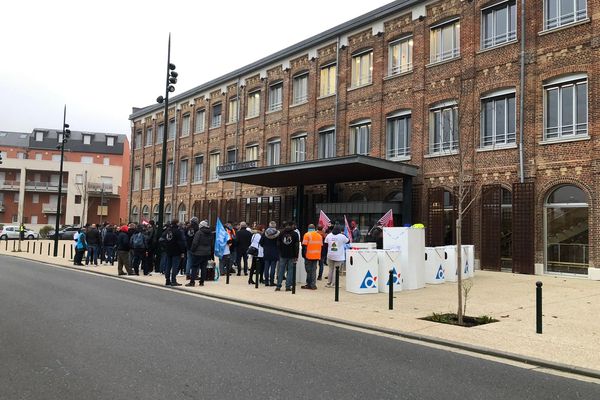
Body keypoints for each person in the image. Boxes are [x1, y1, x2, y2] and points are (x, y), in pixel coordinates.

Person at [188, 220, 213, 287]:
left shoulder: (199, 233)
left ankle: (192, 282)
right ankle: (202, 282)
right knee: (203, 267)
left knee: (194, 267)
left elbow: (195, 243)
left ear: (201, 226)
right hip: (207, 252)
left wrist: (192, 250)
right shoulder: (210, 233)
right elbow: (211, 243)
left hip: (198, 253)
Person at [160, 219, 186, 286]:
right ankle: (173, 280)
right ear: (177, 223)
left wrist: (165, 247)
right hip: (176, 251)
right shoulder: (178, 231)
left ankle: (167, 280)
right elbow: (181, 242)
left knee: (168, 266)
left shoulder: (167, 231)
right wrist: (183, 251)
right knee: (175, 266)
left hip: (168, 250)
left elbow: (161, 240)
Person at [275, 221, 299, 292]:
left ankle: (278, 286)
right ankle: (288, 286)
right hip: (291, 254)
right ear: (292, 226)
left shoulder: (281, 233)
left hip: (283, 254)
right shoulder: (295, 234)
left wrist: (280, 252)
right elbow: (296, 246)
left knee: (281, 270)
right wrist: (296, 255)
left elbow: (278, 244)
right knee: (290, 270)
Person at [301, 224, 323, 290]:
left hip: (309, 255)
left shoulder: (307, 235)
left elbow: (304, 246)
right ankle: (313, 284)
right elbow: (321, 245)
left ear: (308, 228)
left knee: (308, 270)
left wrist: (304, 255)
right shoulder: (319, 236)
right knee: (314, 270)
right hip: (316, 255)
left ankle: (309, 284)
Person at [259, 221, 280, 286]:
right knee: (273, 267)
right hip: (275, 251)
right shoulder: (277, 234)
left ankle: (266, 281)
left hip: (266, 251)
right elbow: (279, 243)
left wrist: (265, 246)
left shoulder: (265, 233)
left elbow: (260, 242)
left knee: (266, 267)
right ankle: (271, 281)